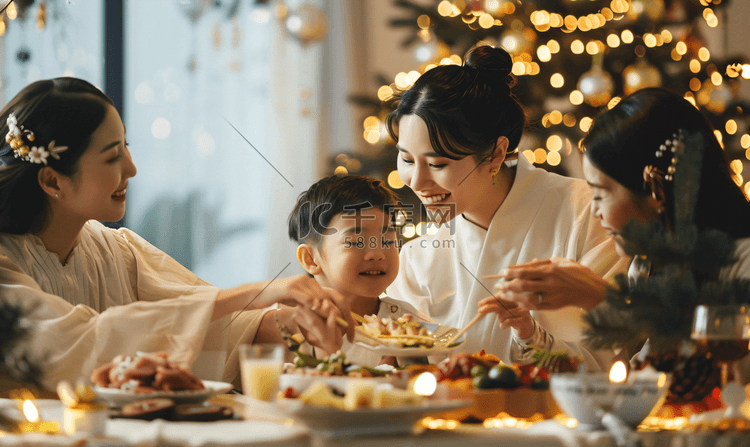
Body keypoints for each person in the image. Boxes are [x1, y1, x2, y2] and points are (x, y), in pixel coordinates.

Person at [0, 77, 355, 393]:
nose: (131, 167)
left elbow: (212, 326)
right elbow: (80, 343)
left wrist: (291, 324)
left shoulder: (117, 252)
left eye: (126, 146)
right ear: (52, 181)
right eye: (112, 157)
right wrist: (262, 291)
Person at [383, 45, 629, 370]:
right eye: (407, 159)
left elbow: (616, 362)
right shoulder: (418, 257)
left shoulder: (590, 213)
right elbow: (389, 364)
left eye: (438, 164)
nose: (416, 181)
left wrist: (531, 336)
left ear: (497, 154)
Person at [494, 88, 750, 310]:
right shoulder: (648, 264)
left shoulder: (743, 265)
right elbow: (640, 364)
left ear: (656, 190)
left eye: (600, 194)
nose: (595, 211)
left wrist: (605, 298)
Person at [287, 174, 423, 366]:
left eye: (387, 240)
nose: (376, 254)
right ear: (311, 259)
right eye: (356, 242)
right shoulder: (293, 323)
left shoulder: (407, 322)